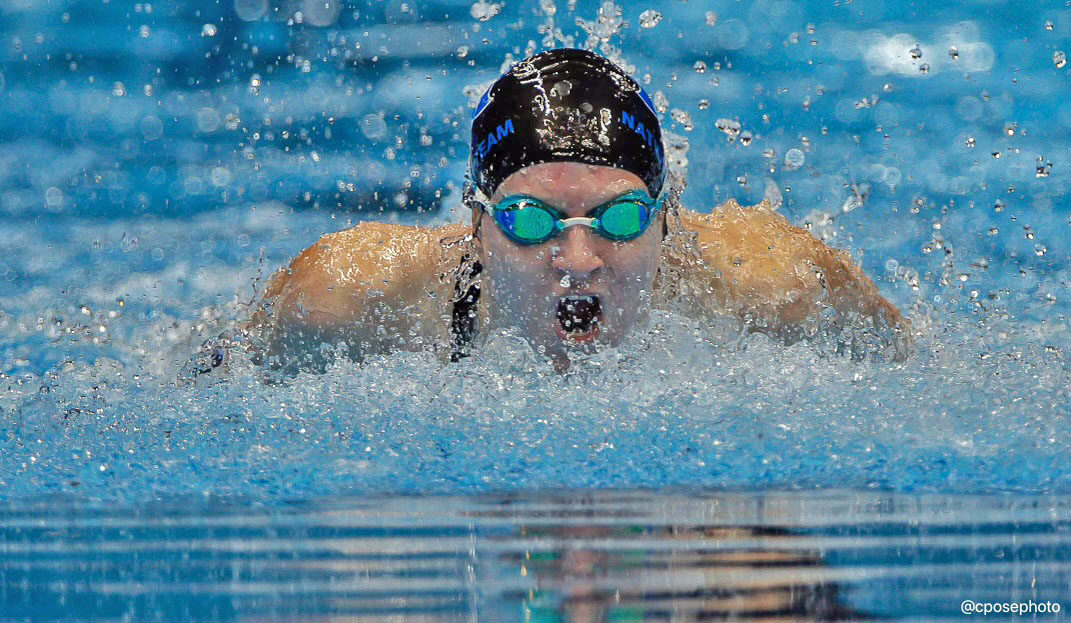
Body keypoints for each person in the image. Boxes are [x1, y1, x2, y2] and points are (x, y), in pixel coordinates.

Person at [238, 48, 908, 375]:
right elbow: (197, 384)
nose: (579, 261)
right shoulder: (346, 292)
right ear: (477, 225)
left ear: (666, 220)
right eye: (530, 220)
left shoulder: (774, 284)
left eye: (618, 219)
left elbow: (913, 370)